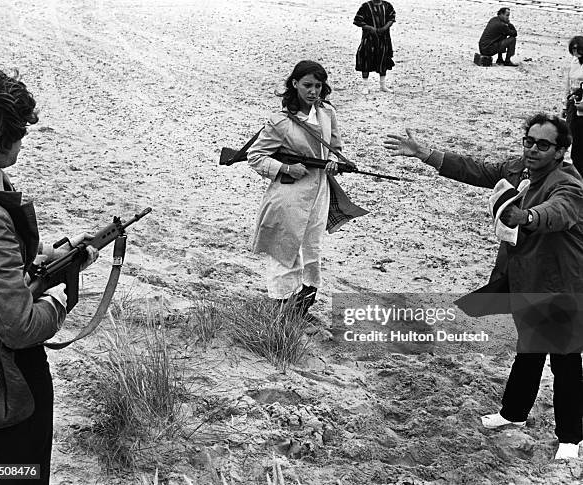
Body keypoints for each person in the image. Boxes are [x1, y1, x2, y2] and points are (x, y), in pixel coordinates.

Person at [383, 113, 583, 460]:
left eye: (543, 144)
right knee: (529, 349)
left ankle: (571, 436)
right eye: (529, 141)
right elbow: (477, 170)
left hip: (562, 282)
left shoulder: (568, 182)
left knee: (565, 360)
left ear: (561, 151)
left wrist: (528, 217)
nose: (533, 149)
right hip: (526, 278)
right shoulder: (519, 169)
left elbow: (559, 211)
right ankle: (513, 414)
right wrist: (424, 153)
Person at [0, 60, 97, 483]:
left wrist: (43, 256)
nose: (21, 143)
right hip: (2, 385)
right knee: (14, 475)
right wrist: (60, 294)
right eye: (18, 133)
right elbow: (20, 329)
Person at [247, 60, 367, 317]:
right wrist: (287, 168)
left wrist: (334, 164)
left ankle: (301, 307)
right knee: (284, 250)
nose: (313, 92)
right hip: (288, 195)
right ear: (294, 84)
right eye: (307, 85)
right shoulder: (280, 122)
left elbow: (334, 149)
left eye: (318, 86)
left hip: (319, 192)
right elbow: (255, 156)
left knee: (311, 248)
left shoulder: (327, 113)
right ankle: (280, 310)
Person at [353, 0, 396, 94]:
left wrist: (384, 28)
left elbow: (392, 18)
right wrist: (370, 28)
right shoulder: (365, 6)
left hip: (384, 38)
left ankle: (383, 86)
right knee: (365, 59)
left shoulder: (387, 5)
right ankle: (365, 86)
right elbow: (357, 20)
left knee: (383, 59)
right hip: (368, 38)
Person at [562, 36, 583, 175]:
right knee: (572, 136)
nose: (576, 52)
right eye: (573, 49)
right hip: (573, 103)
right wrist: (565, 105)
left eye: (578, 49)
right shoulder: (574, 62)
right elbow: (568, 84)